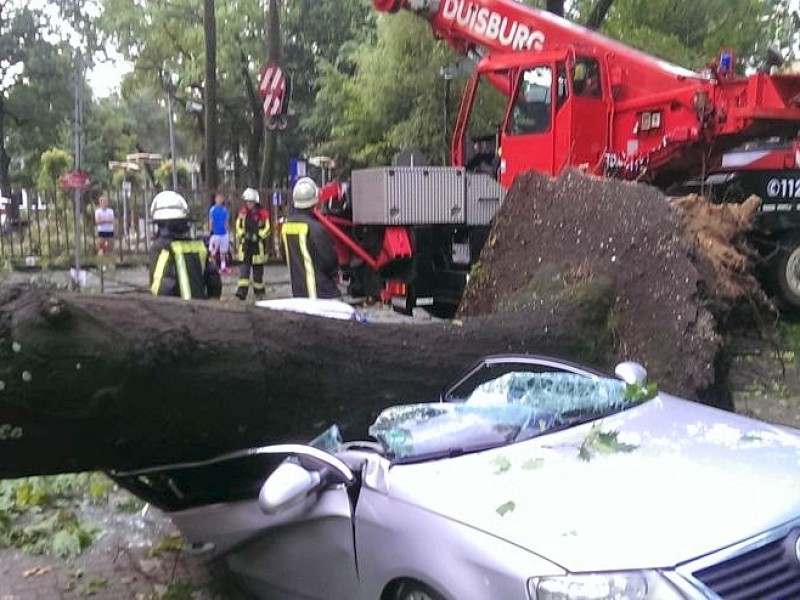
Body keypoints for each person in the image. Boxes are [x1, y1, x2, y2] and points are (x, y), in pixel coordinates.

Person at [149, 190, 222, 300]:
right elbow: (214, 282)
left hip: (174, 314)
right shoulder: (199, 247)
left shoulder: (161, 248)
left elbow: (161, 287)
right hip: (201, 311)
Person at [281, 177, 341, 299]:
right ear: (314, 201)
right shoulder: (316, 229)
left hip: (299, 293)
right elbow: (329, 261)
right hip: (321, 293)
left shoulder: (286, 228)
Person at [234, 187, 270, 300]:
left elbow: (267, 228)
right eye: (247, 201)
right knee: (244, 270)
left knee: (258, 272)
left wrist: (259, 235)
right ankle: (241, 292)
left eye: (251, 201)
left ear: (255, 201)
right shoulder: (243, 212)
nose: (249, 203)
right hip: (246, 245)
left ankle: (259, 292)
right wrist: (243, 234)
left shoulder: (263, 213)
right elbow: (238, 226)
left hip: (258, 246)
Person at [208, 192, 230, 272]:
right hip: (216, 234)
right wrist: (211, 231)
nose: (220, 200)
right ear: (215, 199)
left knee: (223, 252)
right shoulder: (213, 209)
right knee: (213, 252)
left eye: (221, 198)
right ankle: (212, 267)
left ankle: (223, 266)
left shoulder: (225, 209)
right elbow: (211, 220)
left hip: (224, 234)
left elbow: (226, 221)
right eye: (218, 198)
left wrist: (227, 230)